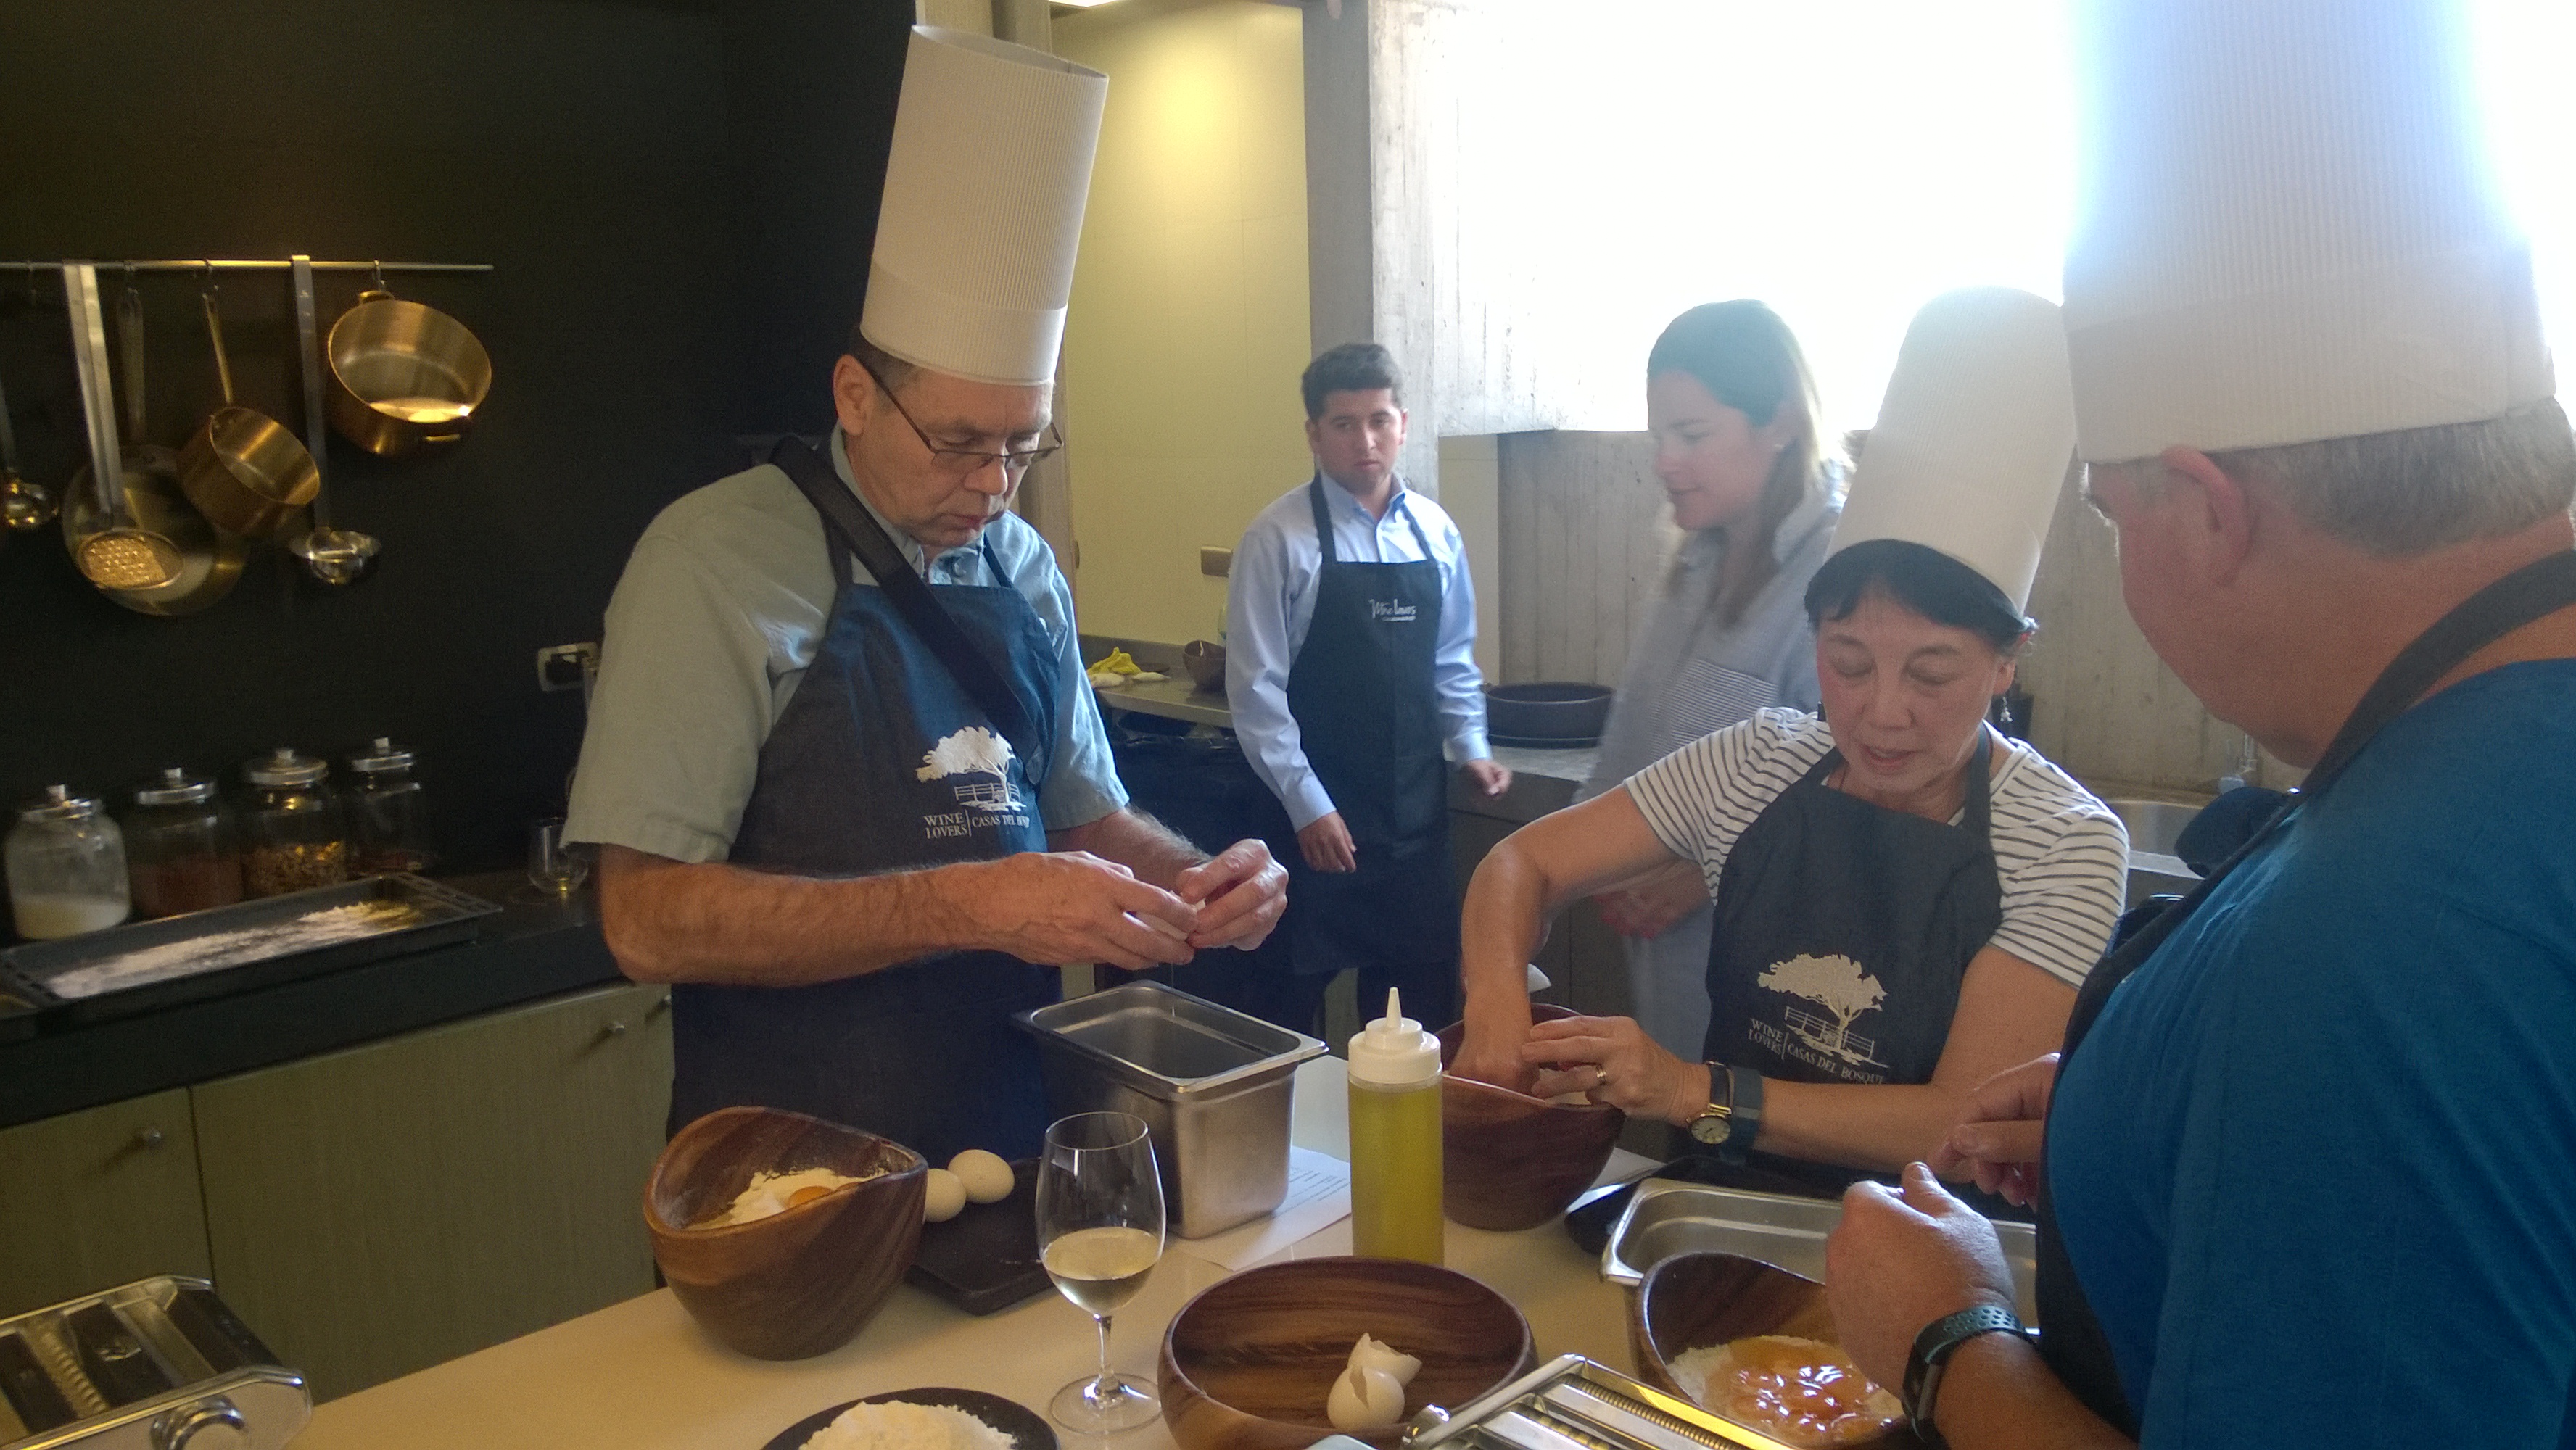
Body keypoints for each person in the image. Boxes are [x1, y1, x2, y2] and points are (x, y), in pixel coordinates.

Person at [1822, 4, 2576, 1447]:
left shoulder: (2380, 943)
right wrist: (2161, 1113)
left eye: (2114, 520)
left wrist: (1943, 1343)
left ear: (2212, 514)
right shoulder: (2484, 775)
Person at [563, 28, 1285, 1167]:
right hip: (794, 1179)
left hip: (1010, 1141)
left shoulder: (1024, 570)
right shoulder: (711, 564)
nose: (993, 485)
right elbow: (645, 921)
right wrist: (973, 903)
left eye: (1022, 446)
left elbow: (1083, 819)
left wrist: (1194, 879)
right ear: (855, 396)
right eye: (957, 443)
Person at [1451, 289, 2127, 1179]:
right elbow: (1521, 863)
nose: (1883, 712)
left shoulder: (2065, 844)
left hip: (1927, 1246)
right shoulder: (1758, 760)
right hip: (1720, 1213)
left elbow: (1962, 1120)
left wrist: (1690, 1089)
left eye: (1931, 674)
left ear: (2008, 661)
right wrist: (1497, 1003)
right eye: (1849, 663)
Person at [1580, 300, 1844, 1061]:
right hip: (1670, 996)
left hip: (1771, 1008)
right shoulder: (1696, 560)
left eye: (1692, 436)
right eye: (1658, 437)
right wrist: (1557, 870)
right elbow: (1630, 742)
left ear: (1780, 422)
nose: (1666, 461)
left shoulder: (1839, 573)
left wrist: (1704, 871)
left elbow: (1859, 791)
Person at [1222, 343, 1508, 1034]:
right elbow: (1257, 693)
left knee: (1417, 1024)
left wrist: (1471, 746)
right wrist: (1308, 806)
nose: (1366, 441)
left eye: (1379, 420)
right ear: (1314, 434)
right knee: (1286, 1019)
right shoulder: (1276, 539)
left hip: (1412, 825)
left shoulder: (1435, 533)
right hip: (1308, 821)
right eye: (1344, 424)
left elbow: (1452, 660)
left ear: (1402, 424)